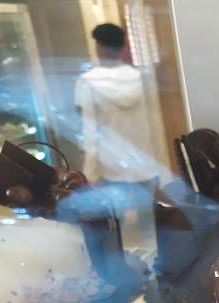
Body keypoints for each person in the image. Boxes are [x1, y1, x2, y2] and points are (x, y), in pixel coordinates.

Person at [75, 23, 160, 247]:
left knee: (116, 223)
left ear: (99, 47)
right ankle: (158, 258)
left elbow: (89, 130)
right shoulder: (141, 78)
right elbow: (152, 122)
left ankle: (126, 259)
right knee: (150, 223)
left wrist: (90, 173)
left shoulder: (88, 82)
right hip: (143, 159)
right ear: (123, 47)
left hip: (111, 163)